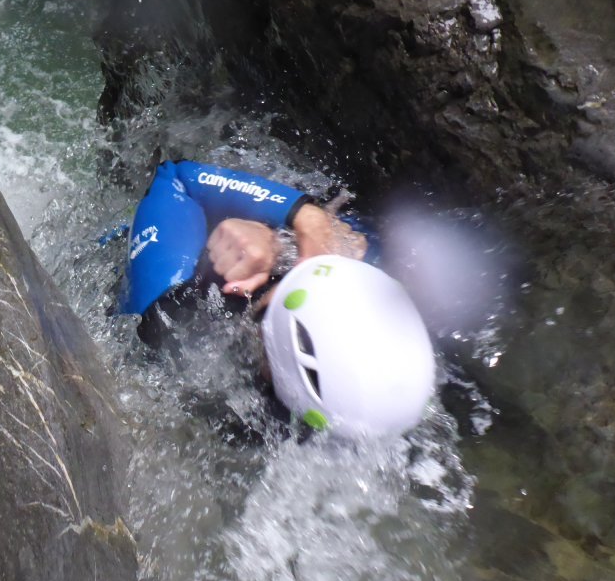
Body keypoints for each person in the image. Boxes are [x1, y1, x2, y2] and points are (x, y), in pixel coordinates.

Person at [119, 160, 436, 440]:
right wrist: (302, 224)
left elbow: (176, 179)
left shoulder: (167, 313)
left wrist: (294, 217)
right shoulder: (364, 260)